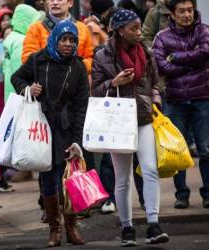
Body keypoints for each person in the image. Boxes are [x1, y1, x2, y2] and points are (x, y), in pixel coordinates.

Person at [92, 9, 169, 246]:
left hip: (144, 117)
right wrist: (113, 83)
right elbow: (94, 91)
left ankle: (153, 224)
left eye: (138, 27)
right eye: (133, 28)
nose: (138, 32)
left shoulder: (145, 51)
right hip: (118, 122)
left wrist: (155, 97)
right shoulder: (102, 56)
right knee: (122, 178)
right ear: (120, 31)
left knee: (150, 170)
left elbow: (155, 81)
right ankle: (127, 227)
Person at [12, 20, 89, 247]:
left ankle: (72, 227)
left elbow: (82, 106)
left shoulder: (78, 67)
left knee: (70, 181)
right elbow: (16, 78)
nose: (68, 44)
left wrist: (77, 140)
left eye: (72, 40)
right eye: (64, 39)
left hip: (67, 129)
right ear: (55, 38)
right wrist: (28, 89)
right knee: (47, 180)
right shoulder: (39, 59)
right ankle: (54, 229)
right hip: (42, 128)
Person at [152, 0, 209, 209]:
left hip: (203, 98)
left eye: (190, 10)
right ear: (173, 14)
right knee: (177, 149)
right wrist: (194, 66)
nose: (187, 15)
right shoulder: (162, 37)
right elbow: (162, 66)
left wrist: (176, 57)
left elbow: (205, 53)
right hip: (175, 100)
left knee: (206, 149)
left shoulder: (204, 31)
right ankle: (181, 194)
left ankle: (208, 194)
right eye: (182, 11)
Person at [21, 0, 93, 74]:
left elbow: (90, 59)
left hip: (76, 81)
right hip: (45, 81)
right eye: (51, 0)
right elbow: (27, 59)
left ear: (70, 3)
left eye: (59, 0)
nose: (55, 3)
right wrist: (54, 67)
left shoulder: (83, 29)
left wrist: (74, 67)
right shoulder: (36, 28)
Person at [3, 4, 41, 101]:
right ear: (27, 21)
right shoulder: (22, 41)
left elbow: (4, 67)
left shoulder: (11, 36)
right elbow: (21, 68)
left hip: (9, 89)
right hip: (19, 93)